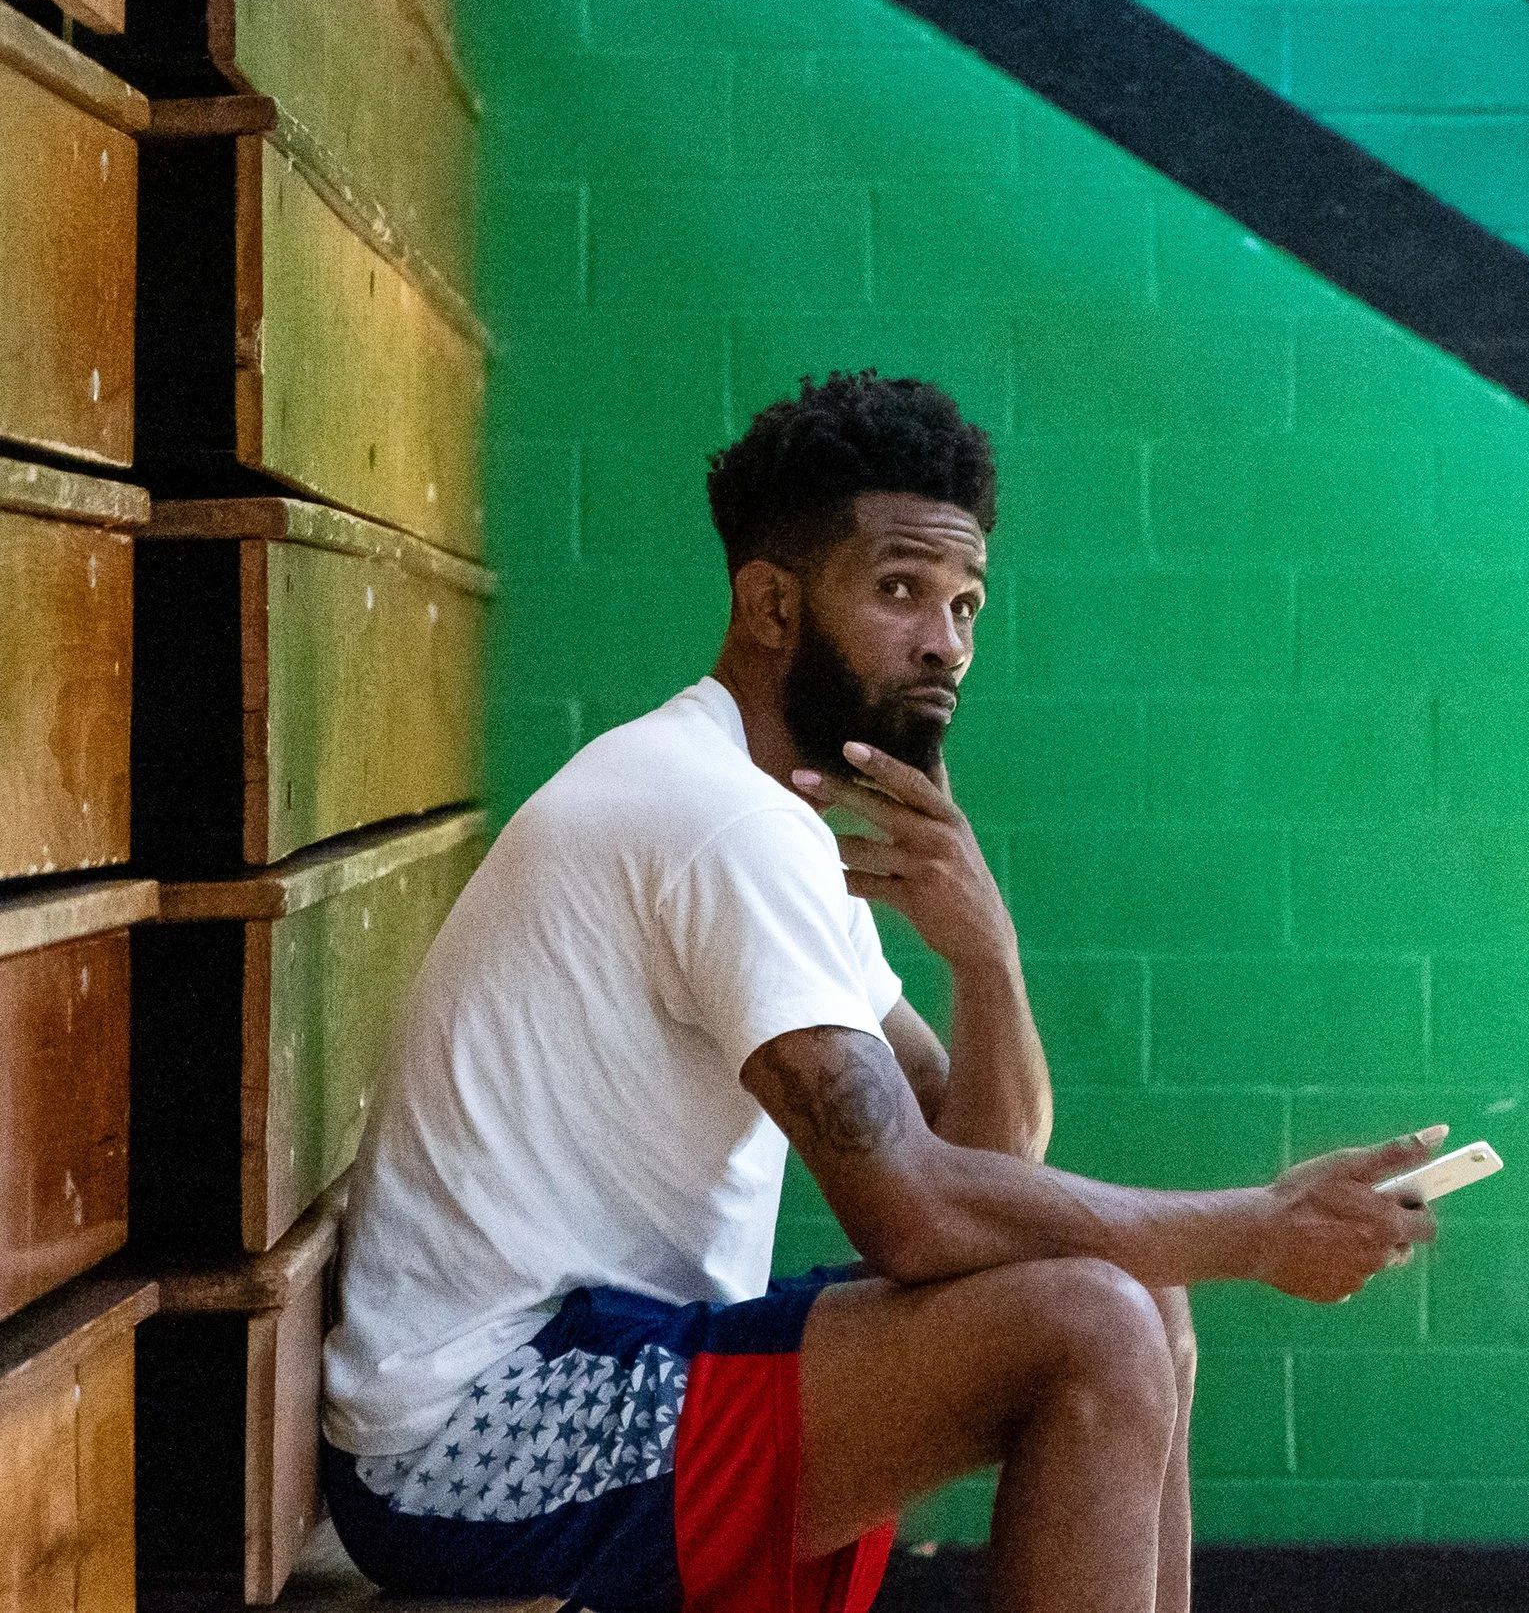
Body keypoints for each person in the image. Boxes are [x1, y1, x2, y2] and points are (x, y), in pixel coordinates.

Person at [318, 370, 1439, 1613]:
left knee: (1140, 1303)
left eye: (965, 602)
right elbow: (912, 1217)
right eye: (900, 592)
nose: (946, 641)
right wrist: (1259, 1227)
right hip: (468, 1439)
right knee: (1096, 1327)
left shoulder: (772, 820)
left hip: (618, 1355)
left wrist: (984, 959)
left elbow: (984, 1161)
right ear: (771, 603)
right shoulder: (715, 820)